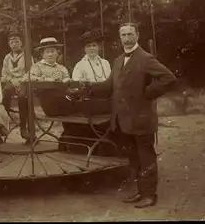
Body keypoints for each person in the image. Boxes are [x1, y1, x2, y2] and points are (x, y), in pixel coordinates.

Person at [87, 22, 178, 209]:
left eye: (130, 34)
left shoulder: (145, 58)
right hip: (122, 121)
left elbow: (169, 78)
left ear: (137, 34)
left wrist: (148, 92)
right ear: (119, 38)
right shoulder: (118, 60)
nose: (126, 39)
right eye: (123, 35)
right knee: (133, 158)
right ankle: (140, 191)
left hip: (141, 119)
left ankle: (149, 195)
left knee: (146, 157)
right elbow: (108, 85)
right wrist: (85, 87)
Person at [22, 37, 73, 118]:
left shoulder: (61, 68)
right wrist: (45, 80)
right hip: (49, 102)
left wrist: (67, 80)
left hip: (64, 99)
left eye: (53, 51)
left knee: (78, 107)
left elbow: (68, 80)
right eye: (47, 52)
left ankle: (70, 130)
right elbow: (26, 78)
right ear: (42, 54)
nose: (50, 54)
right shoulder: (37, 67)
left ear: (57, 53)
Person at [1, 30, 34, 141]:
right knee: (5, 92)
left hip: (24, 81)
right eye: (11, 42)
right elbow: (4, 74)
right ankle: (4, 122)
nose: (14, 44)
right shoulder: (7, 58)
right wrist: (11, 80)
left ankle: (23, 127)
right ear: (9, 44)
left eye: (16, 42)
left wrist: (21, 81)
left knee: (22, 97)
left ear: (21, 43)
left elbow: (31, 71)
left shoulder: (27, 56)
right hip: (12, 82)